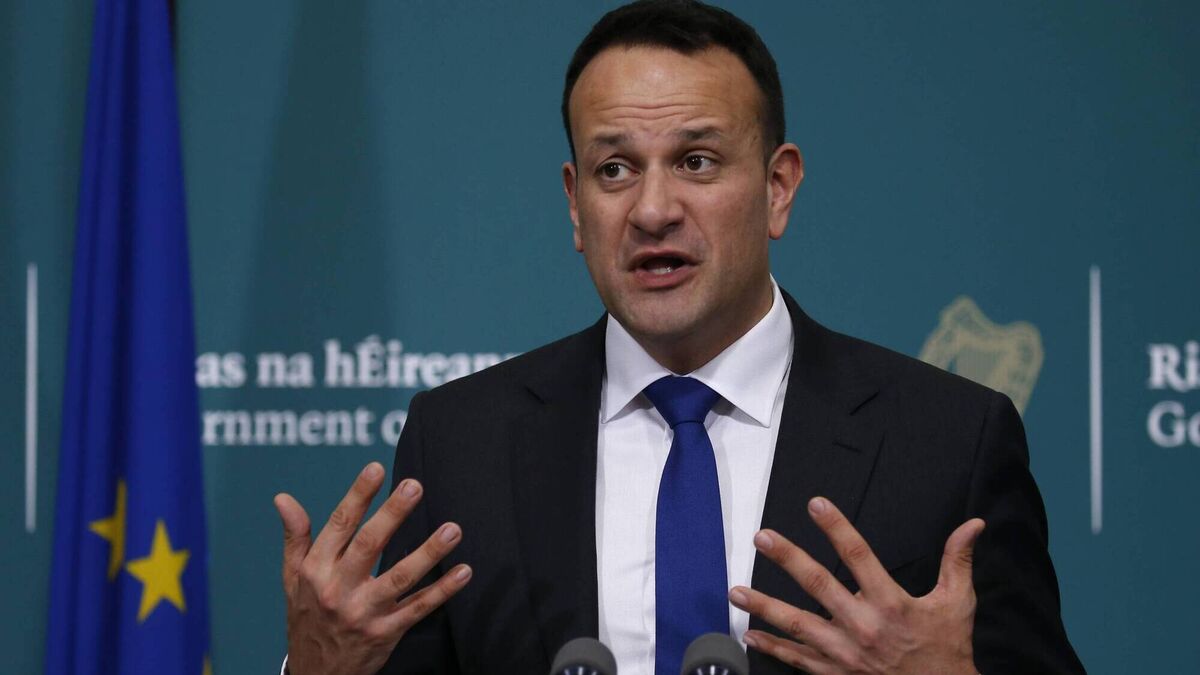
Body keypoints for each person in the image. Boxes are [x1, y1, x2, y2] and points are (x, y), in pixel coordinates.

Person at [273, 1, 1084, 673]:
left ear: (777, 187)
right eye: (615, 169)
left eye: (696, 161)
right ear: (575, 205)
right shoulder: (461, 442)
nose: (653, 209)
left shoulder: (948, 441)